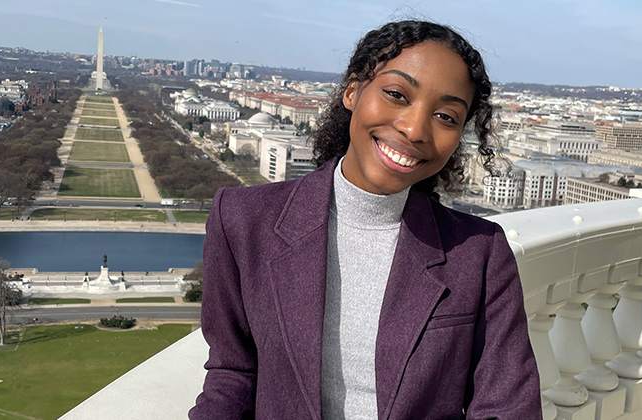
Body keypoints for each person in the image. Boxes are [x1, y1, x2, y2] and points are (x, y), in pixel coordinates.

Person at [190, 20, 541, 420]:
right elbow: (233, 371)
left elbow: (506, 406)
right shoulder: (242, 220)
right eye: (396, 94)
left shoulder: (479, 252)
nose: (414, 128)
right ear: (353, 91)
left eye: (446, 116)